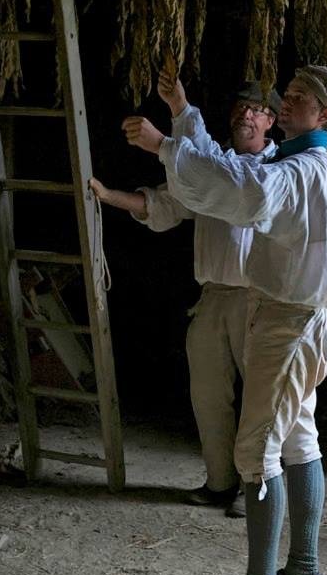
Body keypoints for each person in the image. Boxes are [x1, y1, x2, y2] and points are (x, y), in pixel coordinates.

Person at [120, 64, 327, 575]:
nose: (290, 102)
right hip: (300, 319)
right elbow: (231, 172)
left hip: (289, 324)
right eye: (289, 95)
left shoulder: (297, 171)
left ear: (323, 116)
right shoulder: (306, 165)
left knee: (255, 453)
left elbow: (239, 189)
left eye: (302, 100)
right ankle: (302, 574)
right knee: (298, 440)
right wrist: (181, 126)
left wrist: (168, 147)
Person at [90, 76, 281, 518]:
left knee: (262, 402)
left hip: (259, 299)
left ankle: (258, 491)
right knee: (209, 396)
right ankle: (220, 483)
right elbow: (165, 205)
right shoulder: (213, 170)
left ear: (271, 120)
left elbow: (207, 169)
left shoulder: (279, 169)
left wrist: (178, 110)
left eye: (256, 110)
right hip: (214, 296)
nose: (245, 116)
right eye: (240, 108)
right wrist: (107, 196)